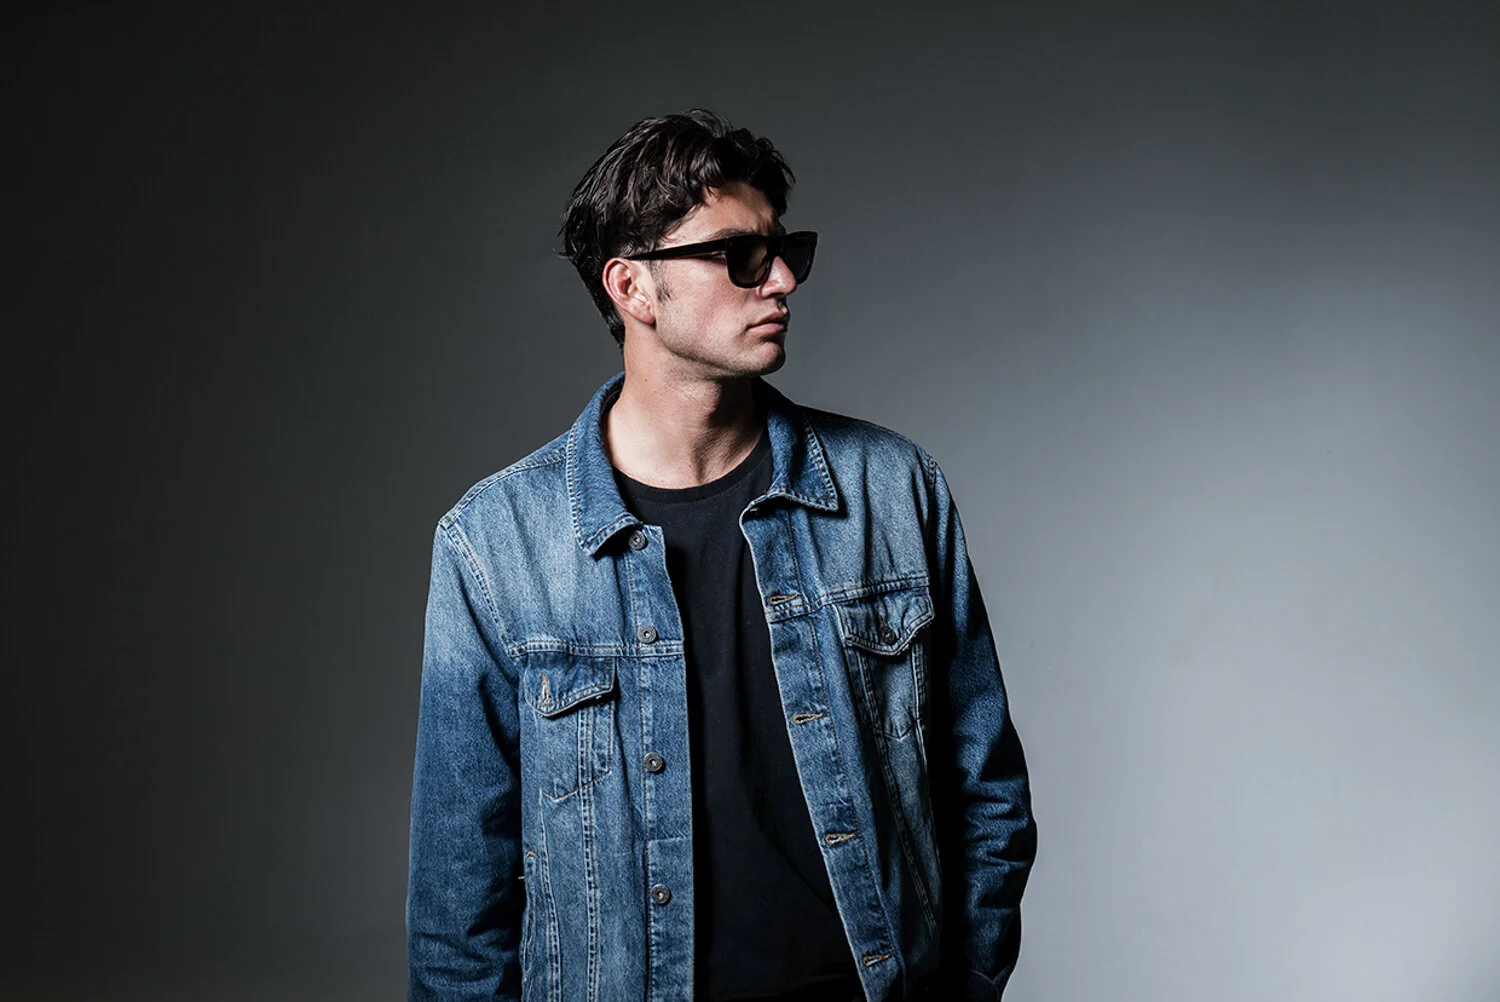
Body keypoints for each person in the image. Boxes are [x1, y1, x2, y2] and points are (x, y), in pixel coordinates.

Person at [406, 109, 1036, 1002]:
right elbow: (457, 894)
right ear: (633, 287)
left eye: (784, 250)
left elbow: (988, 795)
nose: (781, 279)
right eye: (739, 255)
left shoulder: (891, 489)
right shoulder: (496, 542)